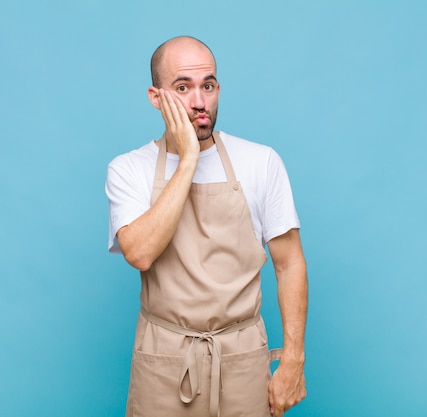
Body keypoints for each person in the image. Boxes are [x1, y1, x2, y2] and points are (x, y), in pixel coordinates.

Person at [106, 36, 308, 417]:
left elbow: (289, 263)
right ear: (156, 96)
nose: (200, 102)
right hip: (163, 363)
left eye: (208, 86)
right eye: (183, 88)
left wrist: (294, 360)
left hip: (243, 360)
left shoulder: (261, 162)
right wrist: (188, 161)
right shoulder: (128, 169)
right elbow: (141, 252)